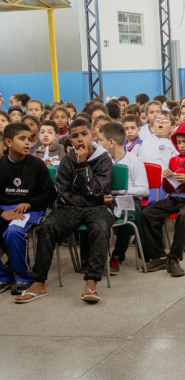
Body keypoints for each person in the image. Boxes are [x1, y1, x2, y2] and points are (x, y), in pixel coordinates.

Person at [16, 118, 115, 304]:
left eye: (84, 134)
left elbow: (95, 189)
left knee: (100, 228)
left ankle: (91, 282)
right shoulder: (67, 159)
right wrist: (92, 198)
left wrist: (83, 164)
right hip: (74, 207)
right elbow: (62, 192)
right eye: (75, 136)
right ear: (69, 140)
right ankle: (38, 282)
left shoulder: (104, 159)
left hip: (100, 208)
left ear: (93, 134)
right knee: (48, 227)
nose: (80, 140)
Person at [141, 121, 185, 277]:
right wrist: (166, 180)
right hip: (175, 198)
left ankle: (174, 258)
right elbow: (168, 189)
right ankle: (159, 256)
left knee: (184, 215)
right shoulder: (174, 160)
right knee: (148, 212)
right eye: (179, 142)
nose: (181, 146)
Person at [0, 123, 57, 296]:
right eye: (22, 139)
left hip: (30, 210)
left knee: (14, 231)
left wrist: (30, 204)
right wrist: (2, 213)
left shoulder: (37, 165)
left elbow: (50, 194)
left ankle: (25, 277)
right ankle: (4, 275)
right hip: (4, 209)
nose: (27, 143)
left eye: (29, 139)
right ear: (8, 142)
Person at [95, 122, 149, 275]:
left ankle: (118, 255)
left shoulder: (133, 160)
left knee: (127, 215)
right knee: (93, 214)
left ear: (111, 142)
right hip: (108, 200)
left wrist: (120, 191)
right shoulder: (102, 161)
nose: (98, 143)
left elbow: (144, 190)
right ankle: (94, 257)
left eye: (100, 140)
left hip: (130, 200)